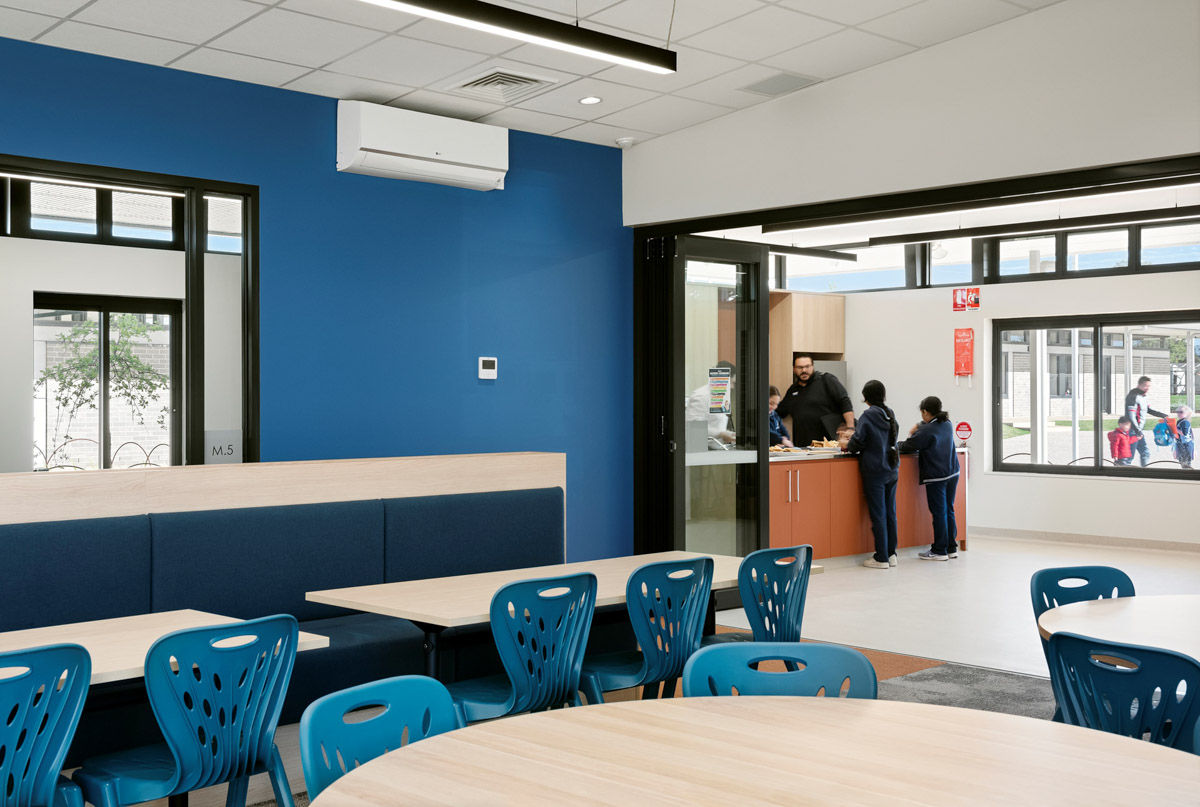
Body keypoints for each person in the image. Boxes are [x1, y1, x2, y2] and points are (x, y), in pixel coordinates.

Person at [841, 380, 899, 569]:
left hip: (875, 470)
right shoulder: (889, 413)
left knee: (878, 514)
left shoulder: (868, 415)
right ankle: (891, 554)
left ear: (866, 397)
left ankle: (880, 557)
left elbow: (858, 442)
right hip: (892, 469)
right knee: (890, 513)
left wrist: (846, 445)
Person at [898, 396, 960, 561]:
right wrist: (919, 425)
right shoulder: (947, 423)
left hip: (937, 476)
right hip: (953, 472)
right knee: (949, 510)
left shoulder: (926, 431)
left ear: (925, 411)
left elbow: (909, 445)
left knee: (939, 513)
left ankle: (939, 550)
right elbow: (928, 427)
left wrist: (893, 445)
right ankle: (951, 547)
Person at [775, 354, 854, 448]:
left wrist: (850, 428)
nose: (804, 370)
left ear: (812, 367)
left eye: (807, 366)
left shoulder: (826, 380)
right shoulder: (793, 390)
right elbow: (780, 412)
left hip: (829, 445)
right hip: (803, 447)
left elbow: (844, 402)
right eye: (800, 367)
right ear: (794, 369)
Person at [686, 360, 735, 446]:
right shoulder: (701, 396)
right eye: (732, 383)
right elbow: (693, 426)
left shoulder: (720, 398)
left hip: (717, 449)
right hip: (701, 450)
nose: (732, 387)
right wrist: (721, 434)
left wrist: (728, 434)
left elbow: (717, 426)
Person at [1125, 375, 1168, 467]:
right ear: (1139, 385)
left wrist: (1163, 415)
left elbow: (1148, 410)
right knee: (1128, 457)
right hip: (1133, 430)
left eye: (1149, 386)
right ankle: (1120, 474)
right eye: (1145, 386)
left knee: (1145, 452)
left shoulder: (1143, 397)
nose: (1147, 388)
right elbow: (1131, 416)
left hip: (1137, 430)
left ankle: (1144, 472)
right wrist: (1137, 431)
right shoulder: (1133, 396)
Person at [1174, 405, 1194, 470]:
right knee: (1183, 463)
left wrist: (1174, 429)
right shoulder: (1180, 421)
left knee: (1186, 464)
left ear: (1187, 413)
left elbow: (1184, 433)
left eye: (1181, 412)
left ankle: (1188, 476)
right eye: (1177, 412)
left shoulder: (1185, 422)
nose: (1178, 413)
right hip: (1181, 444)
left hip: (1185, 446)